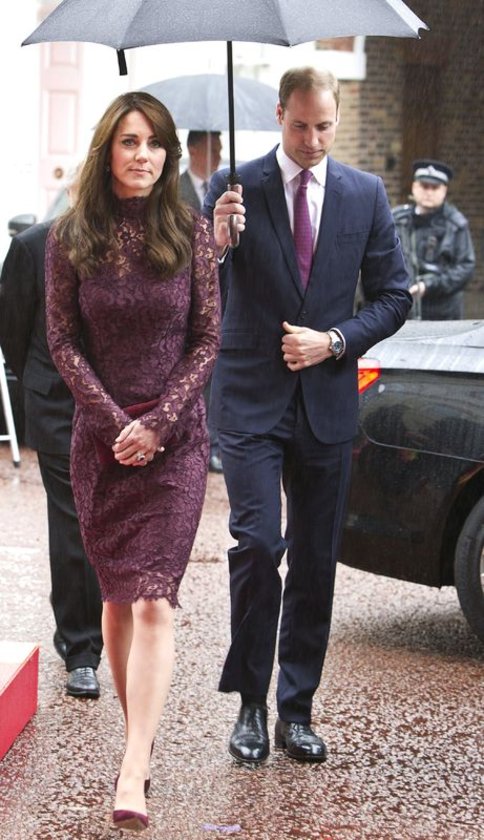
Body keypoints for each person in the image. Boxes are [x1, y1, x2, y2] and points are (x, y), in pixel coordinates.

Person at [204, 66, 412, 766]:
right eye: (300, 125)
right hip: (249, 400)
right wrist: (217, 243)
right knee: (258, 544)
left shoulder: (365, 193)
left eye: (324, 126)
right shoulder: (233, 186)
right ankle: (249, 704)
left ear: (337, 117)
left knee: (317, 558)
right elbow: (196, 288)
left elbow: (393, 296)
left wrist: (336, 340)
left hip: (326, 400)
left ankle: (297, 710)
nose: (313, 139)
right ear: (279, 114)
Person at [44, 92, 221, 832]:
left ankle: (131, 764)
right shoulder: (71, 236)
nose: (143, 155)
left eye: (154, 143)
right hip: (102, 442)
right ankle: (137, 741)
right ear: (107, 151)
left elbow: (207, 339)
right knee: (117, 600)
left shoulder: (190, 231)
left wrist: (158, 423)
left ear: (169, 154)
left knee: (153, 600)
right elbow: (62, 341)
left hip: (176, 443)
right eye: (129, 141)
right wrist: (117, 424)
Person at [0, 166, 103, 699]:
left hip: (120, 407)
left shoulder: (131, 250)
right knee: (73, 522)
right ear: (74, 189)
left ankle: (115, 629)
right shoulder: (32, 246)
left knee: (110, 522)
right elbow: (12, 328)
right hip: (57, 405)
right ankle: (81, 648)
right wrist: (40, 382)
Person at [180, 130, 224, 473]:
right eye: (213, 147)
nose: (219, 154)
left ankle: (213, 442)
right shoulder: (173, 191)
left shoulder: (226, 191)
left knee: (212, 367)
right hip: (180, 290)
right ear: (193, 149)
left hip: (216, 295)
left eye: (221, 147)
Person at [392, 159, 475, 319]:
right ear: (414, 187)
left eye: (435, 187)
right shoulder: (397, 220)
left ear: (444, 191)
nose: (429, 192)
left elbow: (465, 268)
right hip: (404, 309)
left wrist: (429, 286)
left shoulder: (455, 224)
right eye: (424, 186)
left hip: (442, 311)